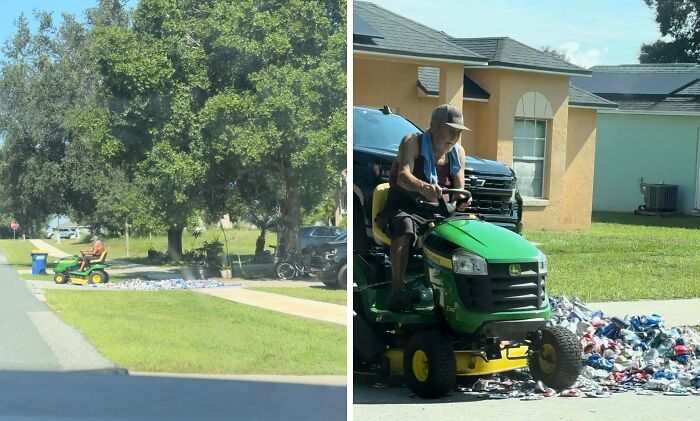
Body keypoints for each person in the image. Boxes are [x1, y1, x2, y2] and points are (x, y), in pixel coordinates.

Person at [377, 104, 472, 312]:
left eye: (458, 133)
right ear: (433, 126)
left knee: (471, 232)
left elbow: (459, 189)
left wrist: (462, 201)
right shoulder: (412, 142)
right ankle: (397, 290)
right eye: (450, 130)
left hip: (440, 210)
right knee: (405, 226)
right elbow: (403, 176)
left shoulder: (458, 152)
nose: (454, 137)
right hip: (405, 206)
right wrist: (424, 187)